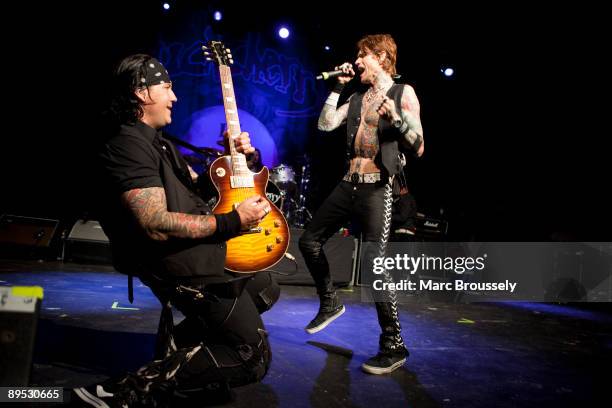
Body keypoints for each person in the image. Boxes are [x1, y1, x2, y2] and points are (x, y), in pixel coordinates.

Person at [73, 54, 280, 407]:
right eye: (167, 87)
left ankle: (178, 357)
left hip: (199, 251)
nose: (175, 97)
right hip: (178, 261)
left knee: (265, 287)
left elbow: (202, 191)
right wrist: (233, 222)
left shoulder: (161, 144)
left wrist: (242, 159)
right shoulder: (127, 145)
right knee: (252, 357)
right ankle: (122, 391)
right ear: (142, 93)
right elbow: (155, 224)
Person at [299, 34, 424, 374]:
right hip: (347, 185)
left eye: (362, 55)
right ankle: (330, 302)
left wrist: (397, 119)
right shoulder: (356, 96)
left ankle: (394, 344)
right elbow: (325, 125)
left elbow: (419, 145)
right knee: (308, 241)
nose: (356, 61)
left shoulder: (403, 93)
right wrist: (337, 87)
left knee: (375, 268)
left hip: (376, 189)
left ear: (382, 57)